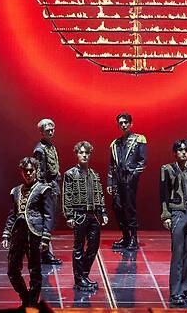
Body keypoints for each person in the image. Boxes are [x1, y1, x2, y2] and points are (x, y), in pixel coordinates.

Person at [2, 157, 53, 309]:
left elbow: (48, 215)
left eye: (31, 170)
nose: (29, 173)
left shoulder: (43, 189)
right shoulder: (16, 191)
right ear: (21, 172)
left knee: (34, 271)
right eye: (26, 171)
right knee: (12, 270)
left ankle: (32, 302)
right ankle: (25, 297)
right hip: (18, 235)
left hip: (35, 234)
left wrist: (45, 238)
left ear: (36, 171)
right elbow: (12, 214)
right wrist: (6, 234)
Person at [160, 140, 187, 306]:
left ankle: (184, 291)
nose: (184, 152)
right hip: (177, 213)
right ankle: (175, 293)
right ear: (175, 152)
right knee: (178, 254)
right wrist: (166, 216)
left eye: (186, 150)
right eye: (180, 150)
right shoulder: (167, 169)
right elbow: (163, 193)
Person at [63, 141, 109, 291]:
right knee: (78, 247)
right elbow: (67, 195)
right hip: (79, 214)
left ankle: (83, 275)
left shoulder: (94, 174)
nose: (84, 155)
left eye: (87, 153)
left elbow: (99, 194)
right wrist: (69, 215)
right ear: (77, 154)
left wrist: (103, 212)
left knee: (93, 246)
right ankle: (79, 279)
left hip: (94, 215)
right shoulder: (70, 174)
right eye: (81, 152)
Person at [107, 112, 147, 250]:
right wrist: (110, 182)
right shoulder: (115, 144)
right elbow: (111, 165)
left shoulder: (139, 139)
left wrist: (133, 176)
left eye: (126, 122)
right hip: (118, 179)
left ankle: (134, 238)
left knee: (129, 207)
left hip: (129, 179)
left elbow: (142, 161)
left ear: (131, 124)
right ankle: (125, 236)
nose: (123, 125)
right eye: (121, 123)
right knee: (117, 207)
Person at [33, 118, 63, 265]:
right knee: (47, 220)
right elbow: (40, 172)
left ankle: (45, 252)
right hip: (47, 188)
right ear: (42, 132)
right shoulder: (40, 149)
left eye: (52, 129)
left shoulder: (50, 146)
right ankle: (44, 253)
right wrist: (43, 191)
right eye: (47, 130)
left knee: (52, 220)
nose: (51, 132)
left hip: (53, 186)